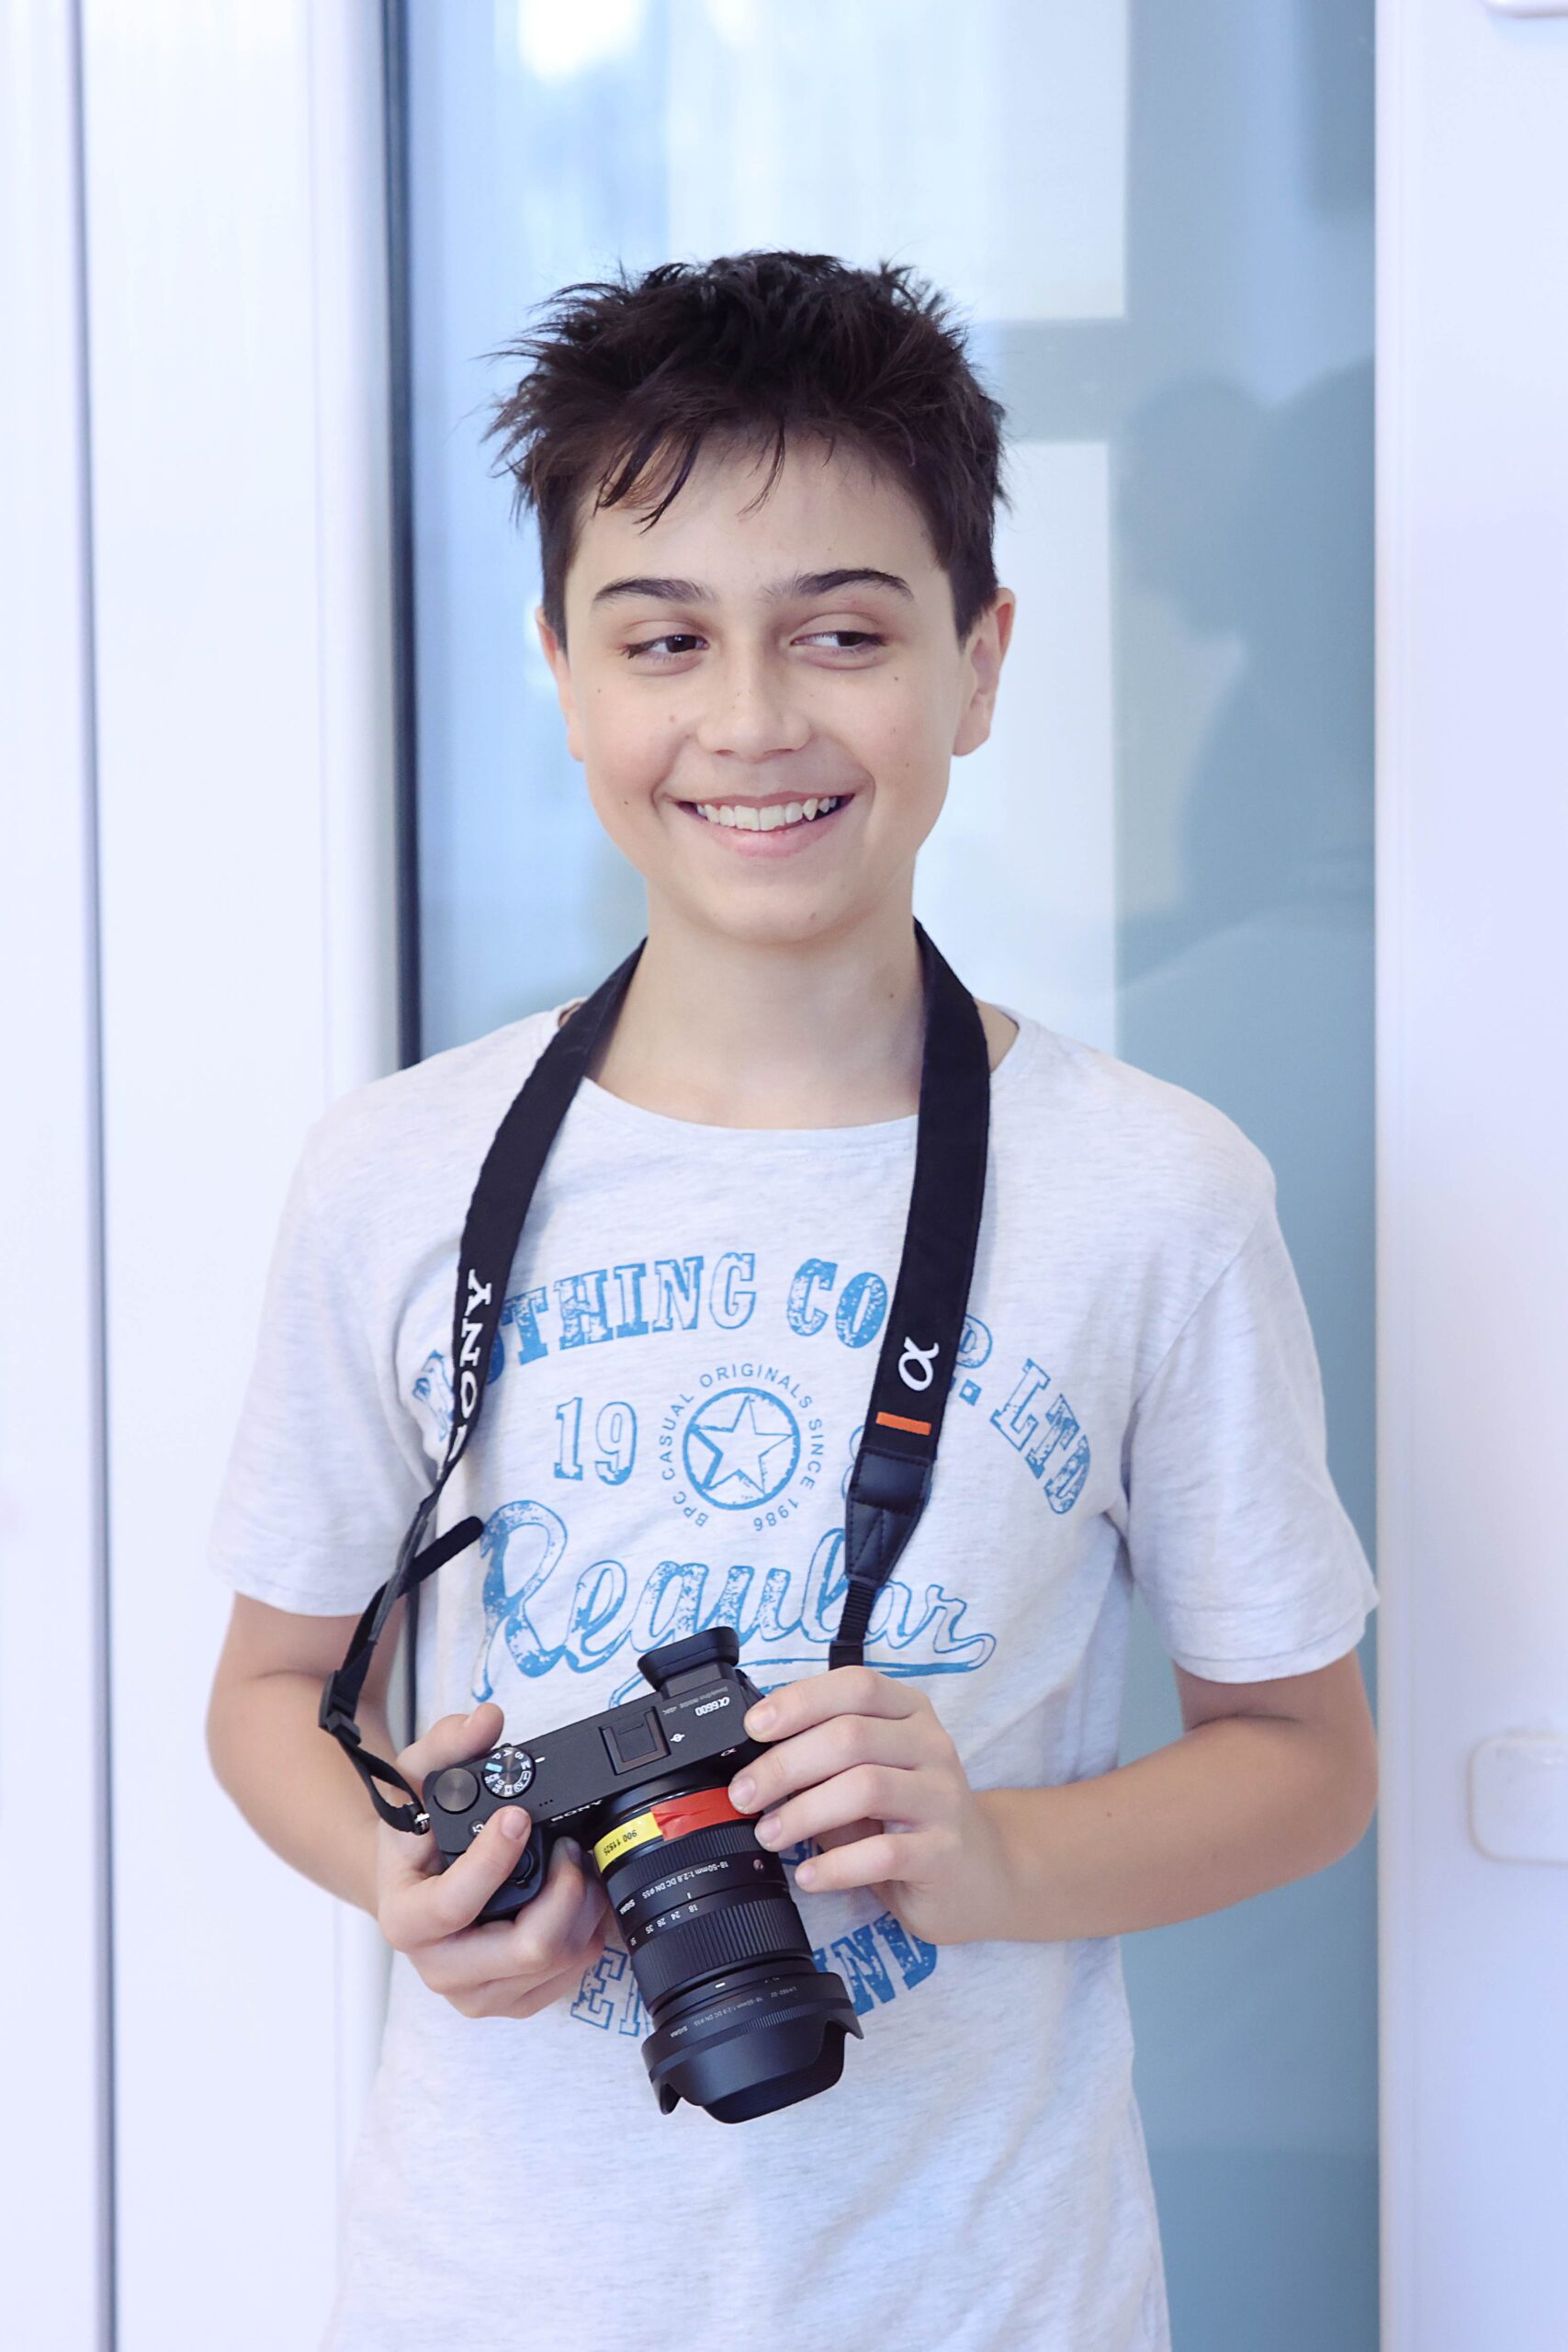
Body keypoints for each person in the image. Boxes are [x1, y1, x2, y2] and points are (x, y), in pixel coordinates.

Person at [205, 251, 1379, 2352]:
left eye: (841, 630)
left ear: (977, 661)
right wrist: (408, 1864)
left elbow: (1301, 1754)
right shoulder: (393, 1169)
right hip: (488, 2288)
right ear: (565, 670)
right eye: (663, 638)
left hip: (988, 2294)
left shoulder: (1153, 1190)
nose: (749, 720)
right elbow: (272, 1689)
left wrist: (986, 1853)